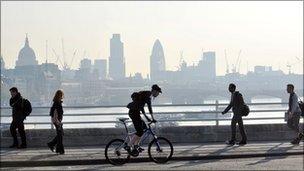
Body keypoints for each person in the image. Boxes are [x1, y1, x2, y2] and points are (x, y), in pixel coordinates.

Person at [126, 84, 162, 155]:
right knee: (140, 131)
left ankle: (136, 146)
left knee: (144, 128)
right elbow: (149, 108)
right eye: (158, 92)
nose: (158, 94)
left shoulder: (146, 95)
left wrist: (147, 118)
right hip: (133, 113)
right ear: (154, 91)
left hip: (136, 113)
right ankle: (128, 146)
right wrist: (152, 118)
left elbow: (142, 109)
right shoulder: (148, 96)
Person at [47, 90, 65, 154]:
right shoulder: (57, 103)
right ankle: (60, 150)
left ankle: (51, 144)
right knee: (60, 135)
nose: (62, 96)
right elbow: (55, 113)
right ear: (59, 95)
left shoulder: (57, 102)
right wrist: (58, 121)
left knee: (60, 134)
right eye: (62, 95)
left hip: (57, 120)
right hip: (57, 121)